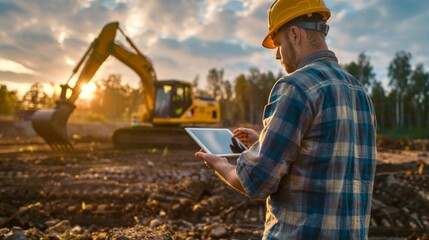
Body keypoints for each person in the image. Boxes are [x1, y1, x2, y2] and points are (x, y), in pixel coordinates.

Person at [195, 0, 377, 239]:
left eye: (278, 44)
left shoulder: (296, 86)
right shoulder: (359, 90)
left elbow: (257, 181)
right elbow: (323, 153)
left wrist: (220, 165)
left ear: (294, 34)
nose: (278, 54)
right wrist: (264, 142)